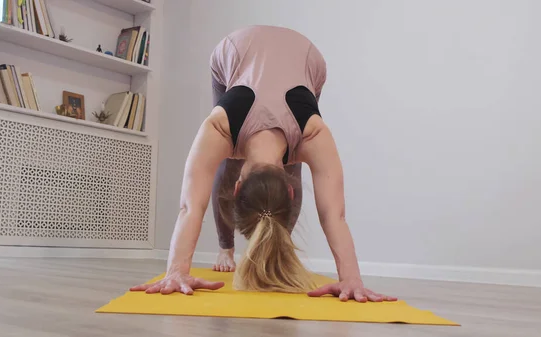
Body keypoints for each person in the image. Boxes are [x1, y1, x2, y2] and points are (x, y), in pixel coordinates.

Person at [131, 25, 397, 302]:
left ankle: (275, 250)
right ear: (236, 189)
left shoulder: (233, 131)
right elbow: (334, 215)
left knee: (276, 159)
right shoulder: (228, 128)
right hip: (240, 49)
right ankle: (227, 247)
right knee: (226, 162)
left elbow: (189, 206)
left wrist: (177, 270)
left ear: (238, 189)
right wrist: (350, 279)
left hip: (307, 59)